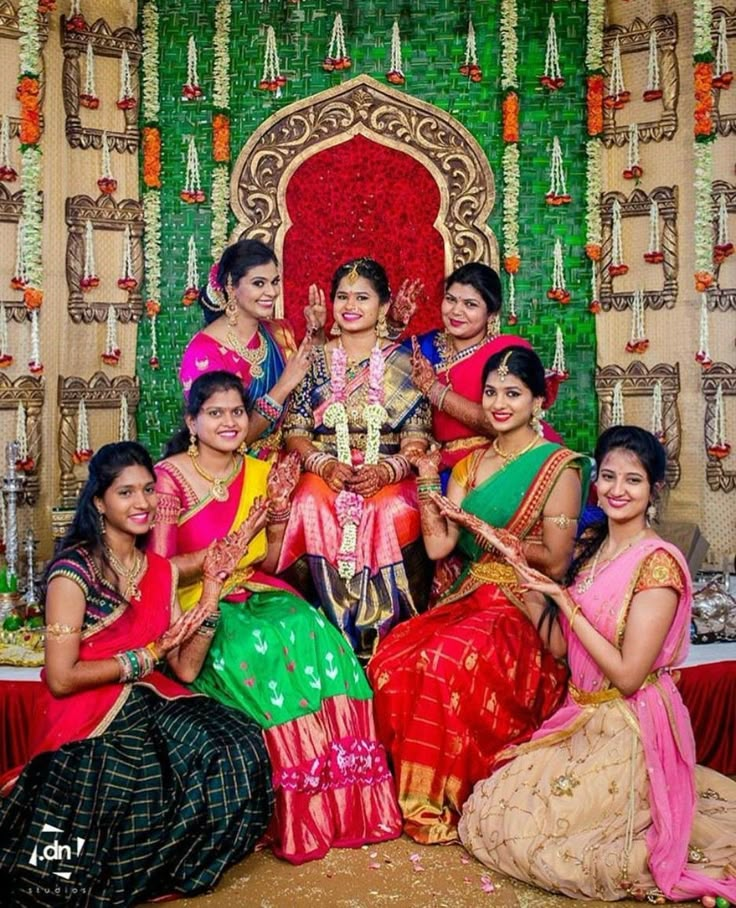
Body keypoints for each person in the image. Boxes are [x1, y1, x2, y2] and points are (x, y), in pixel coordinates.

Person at [460, 426, 736, 904]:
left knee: (561, 848)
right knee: (491, 810)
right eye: (608, 477)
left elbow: (629, 675)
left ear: (653, 490)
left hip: (631, 723)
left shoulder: (657, 565)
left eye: (633, 480)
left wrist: (564, 604)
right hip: (583, 716)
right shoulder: (594, 549)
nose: (616, 490)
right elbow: (567, 652)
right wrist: (529, 592)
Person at [0, 442, 273, 907]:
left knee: (236, 741)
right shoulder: (74, 573)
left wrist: (209, 590)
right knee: (133, 777)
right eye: (125, 493)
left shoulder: (158, 570)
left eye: (148, 489)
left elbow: (185, 670)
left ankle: (168, 868)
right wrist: (145, 657)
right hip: (86, 709)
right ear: (99, 502)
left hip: (146, 696)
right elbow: (61, 677)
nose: (142, 503)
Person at [149, 371, 401, 865]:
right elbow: (159, 573)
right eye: (215, 413)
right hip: (200, 599)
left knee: (320, 639)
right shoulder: (169, 478)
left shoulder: (261, 470)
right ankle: (295, 813)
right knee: (254, 654)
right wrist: (219, 558)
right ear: (192, 421)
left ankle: (349, 807)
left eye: (237, 413)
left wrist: (279, 512)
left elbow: (268, 563)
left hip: (255, 589)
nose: (229, 422)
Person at [367, 346, 591, 844]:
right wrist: (428, 481)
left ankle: (442, 797)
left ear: (538, 402)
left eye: (513, 393)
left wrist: (485, 530)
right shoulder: (470, 464)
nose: (498, 403)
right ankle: (405, 795)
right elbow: (440, 543)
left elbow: (555, 559)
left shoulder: (559, 466)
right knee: (392, 658)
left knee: (448, 663)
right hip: (470, 595)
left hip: (523, 603)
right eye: (491, 392)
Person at [279, 257, 432, 659]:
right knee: (308, 501)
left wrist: (386, 469)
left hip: (389, 472)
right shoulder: (312, 359)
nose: (350, 305)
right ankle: (326, 630)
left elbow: (418, 437)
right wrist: (323, 464)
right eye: (342, 296)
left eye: (362, 297)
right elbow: (294, 431)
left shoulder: (406, 362)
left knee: (386, 510)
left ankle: (380, 637)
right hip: (327, 469)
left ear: (383, 307)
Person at [403, 262, 562, 488]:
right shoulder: (426, 347)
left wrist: (434, 389)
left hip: (505, 455)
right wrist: (393, 322)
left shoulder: (507, 351)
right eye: (450, 299)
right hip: (448, 463)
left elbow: (503, 423)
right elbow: (385, 362)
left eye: (470, 304)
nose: (456, 311)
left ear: (492, 312)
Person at [179, 238, 325, 459]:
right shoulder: (204, 353)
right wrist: (283, 386)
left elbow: (315, 386)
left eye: (274, 282)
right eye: (259, 283)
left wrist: (317, 332)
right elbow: (221, 439)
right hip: (235, 470)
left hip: (289, 460)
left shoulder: (279, 332)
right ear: (231, 285)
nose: (271, 292)